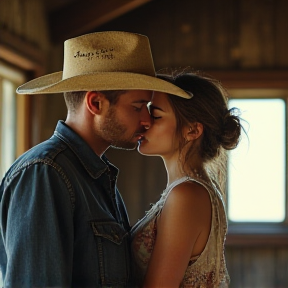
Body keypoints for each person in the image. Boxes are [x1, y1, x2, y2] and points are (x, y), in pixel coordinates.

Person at [0, 32, 191, 287]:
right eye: (137, 107)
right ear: (96, 103)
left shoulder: (97, 175)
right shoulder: (45, 174)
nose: (146, 120)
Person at [131, 68, 243, 288]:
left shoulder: (187, 195)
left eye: (155, 115)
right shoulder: (197, 191)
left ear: (192, 130)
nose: (144, 121)